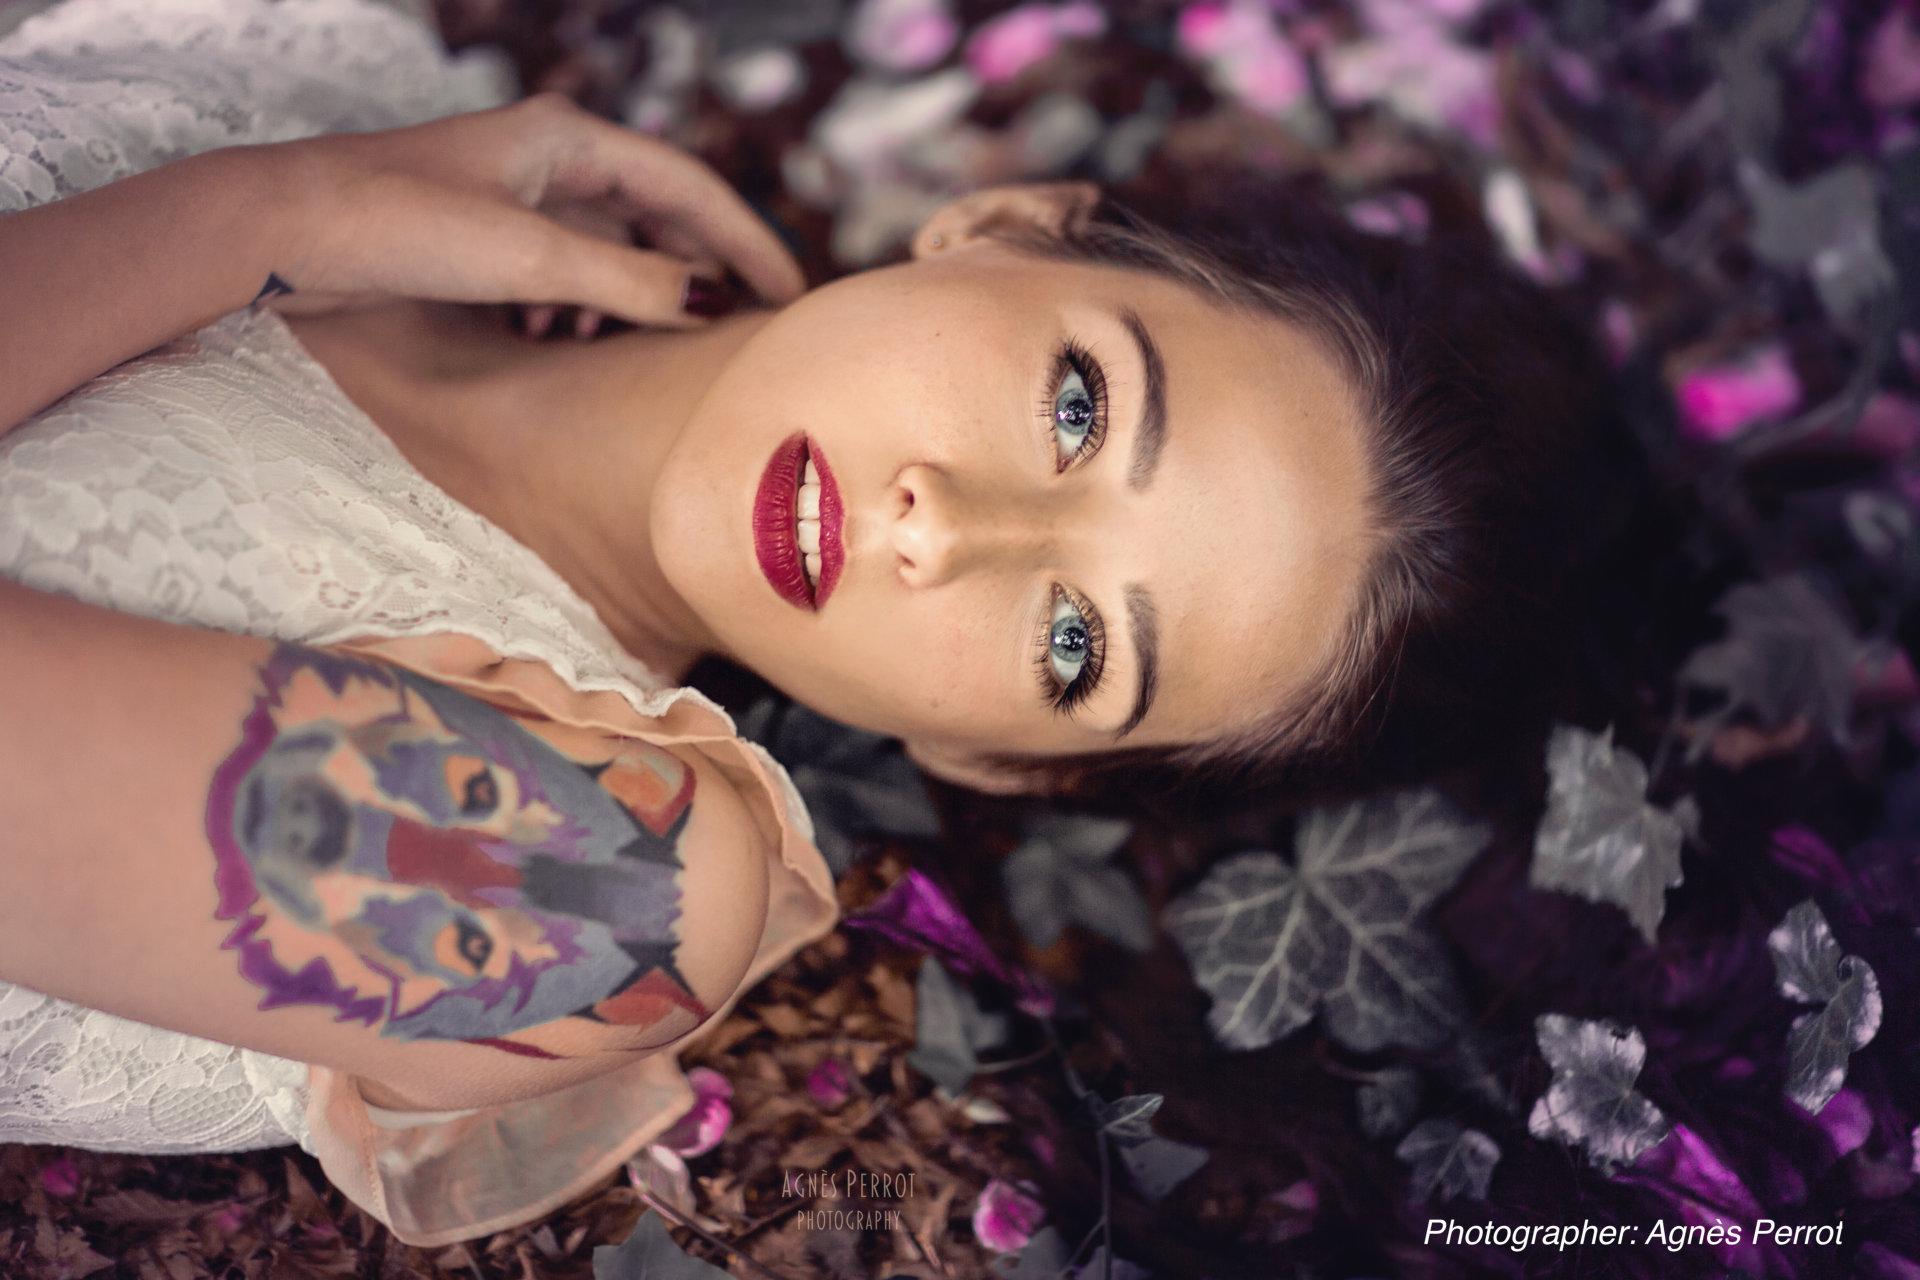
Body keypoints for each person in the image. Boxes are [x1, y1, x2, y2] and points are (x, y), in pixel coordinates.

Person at [0, 0, 1646, 1249]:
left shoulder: (614, 883)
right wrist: (299, 185)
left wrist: (255, 224)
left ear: (1003, 764)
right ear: (1005, 230)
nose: (943, 527)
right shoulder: (352, 84)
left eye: (1076, 645)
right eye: (1079, 408)